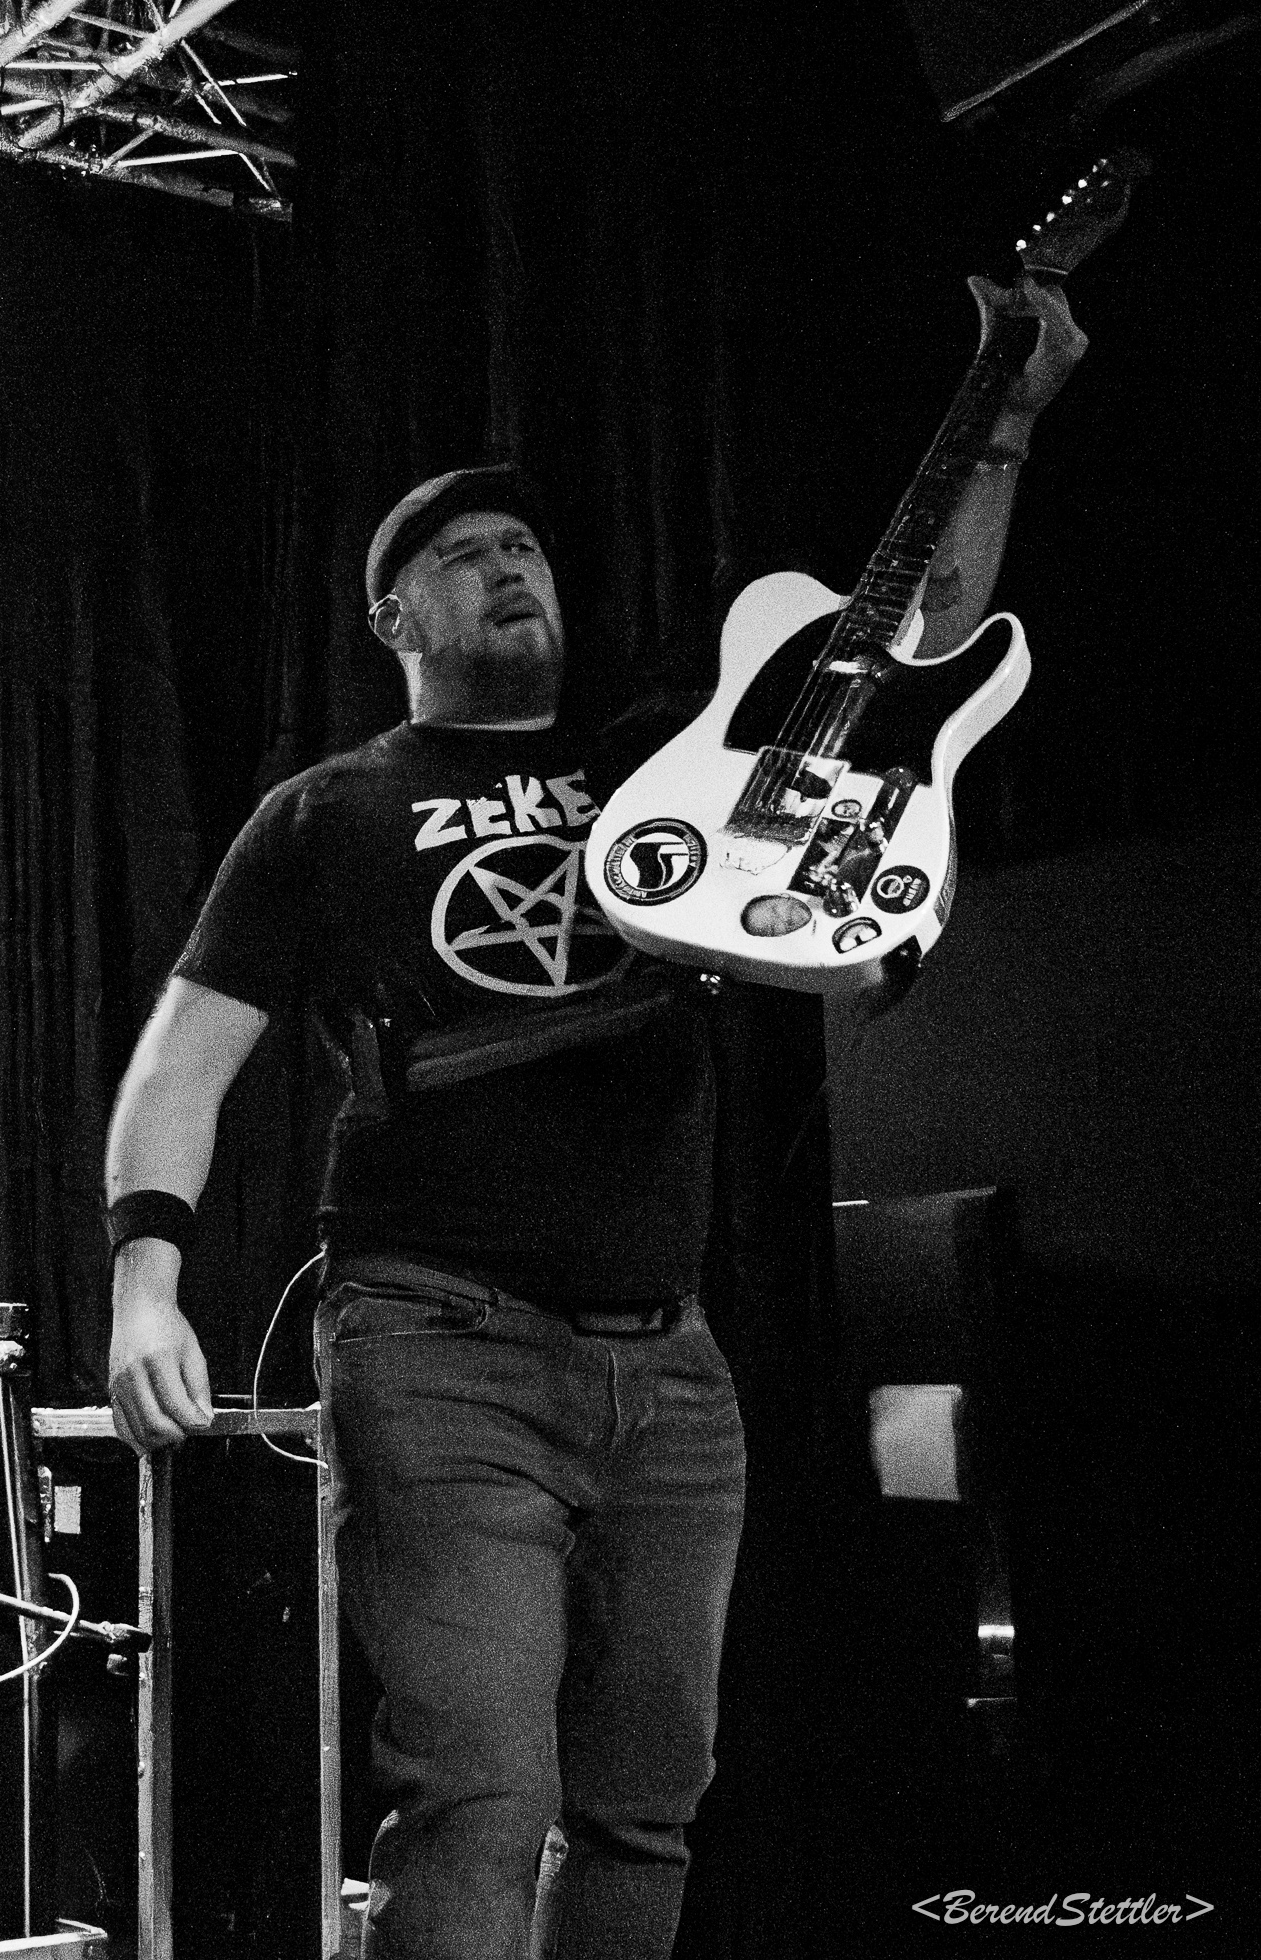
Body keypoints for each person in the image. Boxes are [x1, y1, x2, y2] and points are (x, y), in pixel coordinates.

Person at [106, 273, 1086, 1959]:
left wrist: (1001, 422)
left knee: (646, 1805)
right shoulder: (325, 815)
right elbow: (180, 1065)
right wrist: (145, 1279)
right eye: (464, 553)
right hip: (436, 1341)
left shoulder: (669, 754)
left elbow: (911, 641)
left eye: (528, 546)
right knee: (479, 1791)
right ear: (393, 616)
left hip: (672, 1361)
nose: (512, 564)